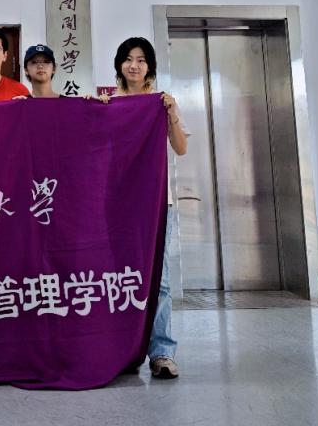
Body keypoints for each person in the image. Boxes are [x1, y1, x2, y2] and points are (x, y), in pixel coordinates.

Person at [106, 36, 188, 380]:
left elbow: (180, 148)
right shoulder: (109, 103)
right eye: (128, 59)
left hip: (155, 204)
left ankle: (162, 352)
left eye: (141, 59)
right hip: (117, 204)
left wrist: (171, 115)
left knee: (160, 281)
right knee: (117, 277)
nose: (134, 65)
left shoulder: (160, 103)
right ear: (119, 65)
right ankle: (122, 350)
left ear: (150, 66)